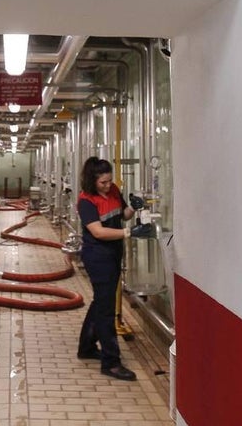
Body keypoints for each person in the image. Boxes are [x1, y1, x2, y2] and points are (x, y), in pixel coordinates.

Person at [75, 156, 148, 381]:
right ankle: (111, 362)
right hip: (98, 256)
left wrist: (133, 208)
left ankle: (86, 347)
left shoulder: (114, 190)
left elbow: (122, 215)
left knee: (101, 301)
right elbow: (98, 232)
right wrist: (129, 233)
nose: (108, 185)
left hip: (114, 253)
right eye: (103, 183)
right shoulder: (86, 201)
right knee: (106, 310)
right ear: (92, 181)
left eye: (109, 180)